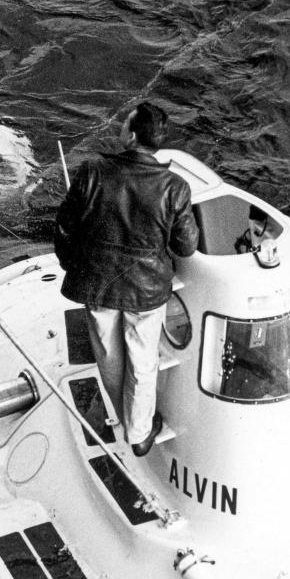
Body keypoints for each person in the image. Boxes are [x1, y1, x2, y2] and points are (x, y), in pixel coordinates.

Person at [54, 102, 199, 456]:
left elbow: (64, 228)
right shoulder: (175, 188)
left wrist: (73, 263)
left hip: (97, 283)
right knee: (142, 360)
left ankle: (124, 417)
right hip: (147, 291)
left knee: (108, 353)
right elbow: (187, 245)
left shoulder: (92, 172)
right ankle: (139, 433)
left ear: (131, 135)